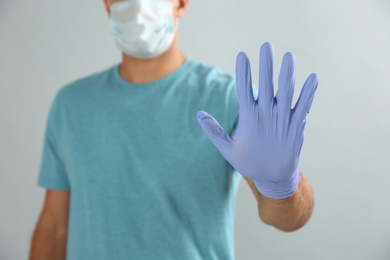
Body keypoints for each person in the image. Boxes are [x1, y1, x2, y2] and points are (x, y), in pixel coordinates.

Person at [29, 0, 318, 259]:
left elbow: (289, 218)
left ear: (180, 3)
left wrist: (282, 187)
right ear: (107, 5)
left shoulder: (228, 99)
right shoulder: (71, 105)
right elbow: (54, 226)